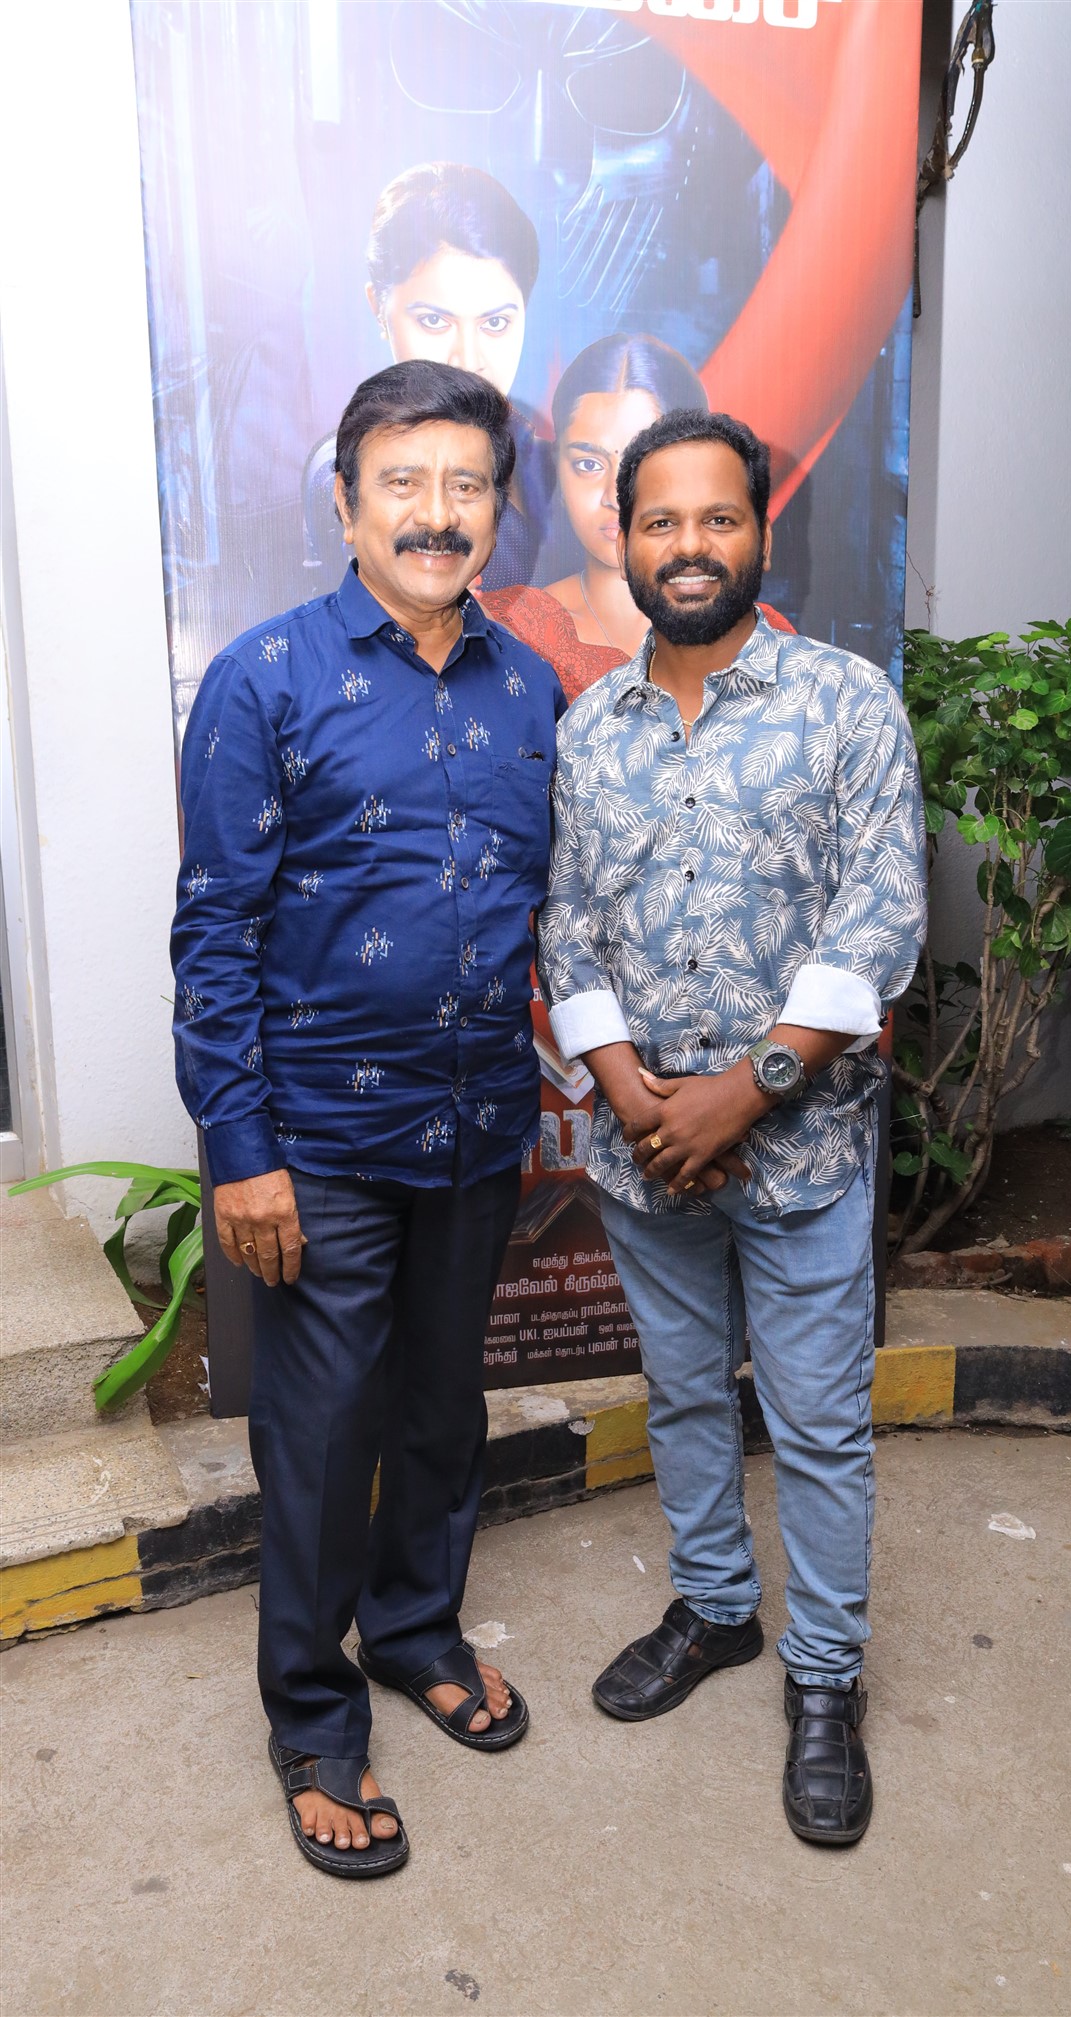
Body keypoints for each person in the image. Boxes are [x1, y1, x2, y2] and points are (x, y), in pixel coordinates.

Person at [173, 360, 564, 1878]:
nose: (435, 513)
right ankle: (314, 1716)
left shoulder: (528, 686)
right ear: (345, 504)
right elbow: (215, 936)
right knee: (325, 1434)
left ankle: (413, 1630)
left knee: (444, 1408)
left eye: (465, 485)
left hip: (479, 1125)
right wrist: (241, 1153)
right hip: (320, 1145)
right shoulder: (263, 678)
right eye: (403, 482)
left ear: (499, 510)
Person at [538, 408, 927, 1845]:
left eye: (717, 517)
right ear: (624, 537)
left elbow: (882, 917)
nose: (689, 545)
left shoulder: (846, 704)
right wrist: (627, 1086)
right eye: (662, 521)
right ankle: (715, 1608)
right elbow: (564, 922)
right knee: (688, 1393)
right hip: (645, 1147)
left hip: (801, 1144)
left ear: (761, 529)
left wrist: (744, 1089)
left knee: (818, 1424)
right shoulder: (588, 729)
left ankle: (825, 1675)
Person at [482, 334, 795, 701]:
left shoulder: (761, 636)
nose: (614, 496)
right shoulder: (505, 628)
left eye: (642, 464)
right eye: (588, 464)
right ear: (559, 469)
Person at [303, 162, 551, 590]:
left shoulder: (551, 464)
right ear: (378, 309)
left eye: (495, 323)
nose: (467, 359)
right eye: (435, 321)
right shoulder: (346, 472)